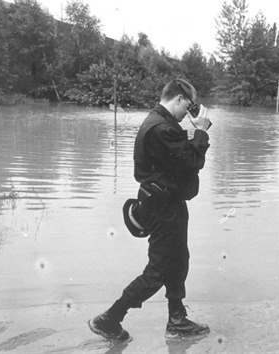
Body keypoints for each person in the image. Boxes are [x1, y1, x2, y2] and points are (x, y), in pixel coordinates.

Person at [89, 78, 212, 342]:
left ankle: (177, 320)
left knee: (179, 260)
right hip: (164, 209)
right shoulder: (162, 129)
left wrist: (195, 135)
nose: (187, 114)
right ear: (178, 99)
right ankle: (110, 319)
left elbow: (179, 164)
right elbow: (191, 162)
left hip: (166, 204)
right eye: (188, 107)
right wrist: (201, 132)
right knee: (157, 272)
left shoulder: (157, 123)